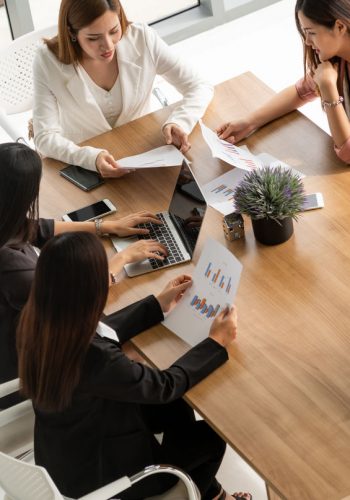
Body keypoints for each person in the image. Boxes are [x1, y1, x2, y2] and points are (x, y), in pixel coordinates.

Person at [17, 231, 251, 500]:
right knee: (211, 440)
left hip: (69, 449)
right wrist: (216, 342)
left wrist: (157, 305)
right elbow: (163, 385)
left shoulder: (38, 320)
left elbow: (102, 330)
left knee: (179, 406)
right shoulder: (93, 357)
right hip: (106, 475)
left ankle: (213, 494)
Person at [0, 142, 167, 407]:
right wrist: (121, 259)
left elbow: (38, 228)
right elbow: (74, 301)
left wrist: (107, 226)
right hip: (28, 376)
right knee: (137, 354)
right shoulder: (12, 270)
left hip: (31, 340)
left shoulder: (5, 219)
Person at [32, 0, 214, 177]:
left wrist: (179, 122)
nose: (108, 45)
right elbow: (44, 137)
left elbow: (199, 86)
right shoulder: (47, 60)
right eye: (94, 38)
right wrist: (90, 158)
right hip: (84, 170)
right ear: (71, 32)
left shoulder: (142, 38)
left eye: (114, 30)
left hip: (143, 156)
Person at [217, 0, 350, 164]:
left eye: (312, 32)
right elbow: (301, 92)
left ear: (340, 27)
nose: (307, 41)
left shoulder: (330, 73)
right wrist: (249, 123)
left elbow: (347, 153)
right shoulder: (338, 61)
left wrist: (328, 87)